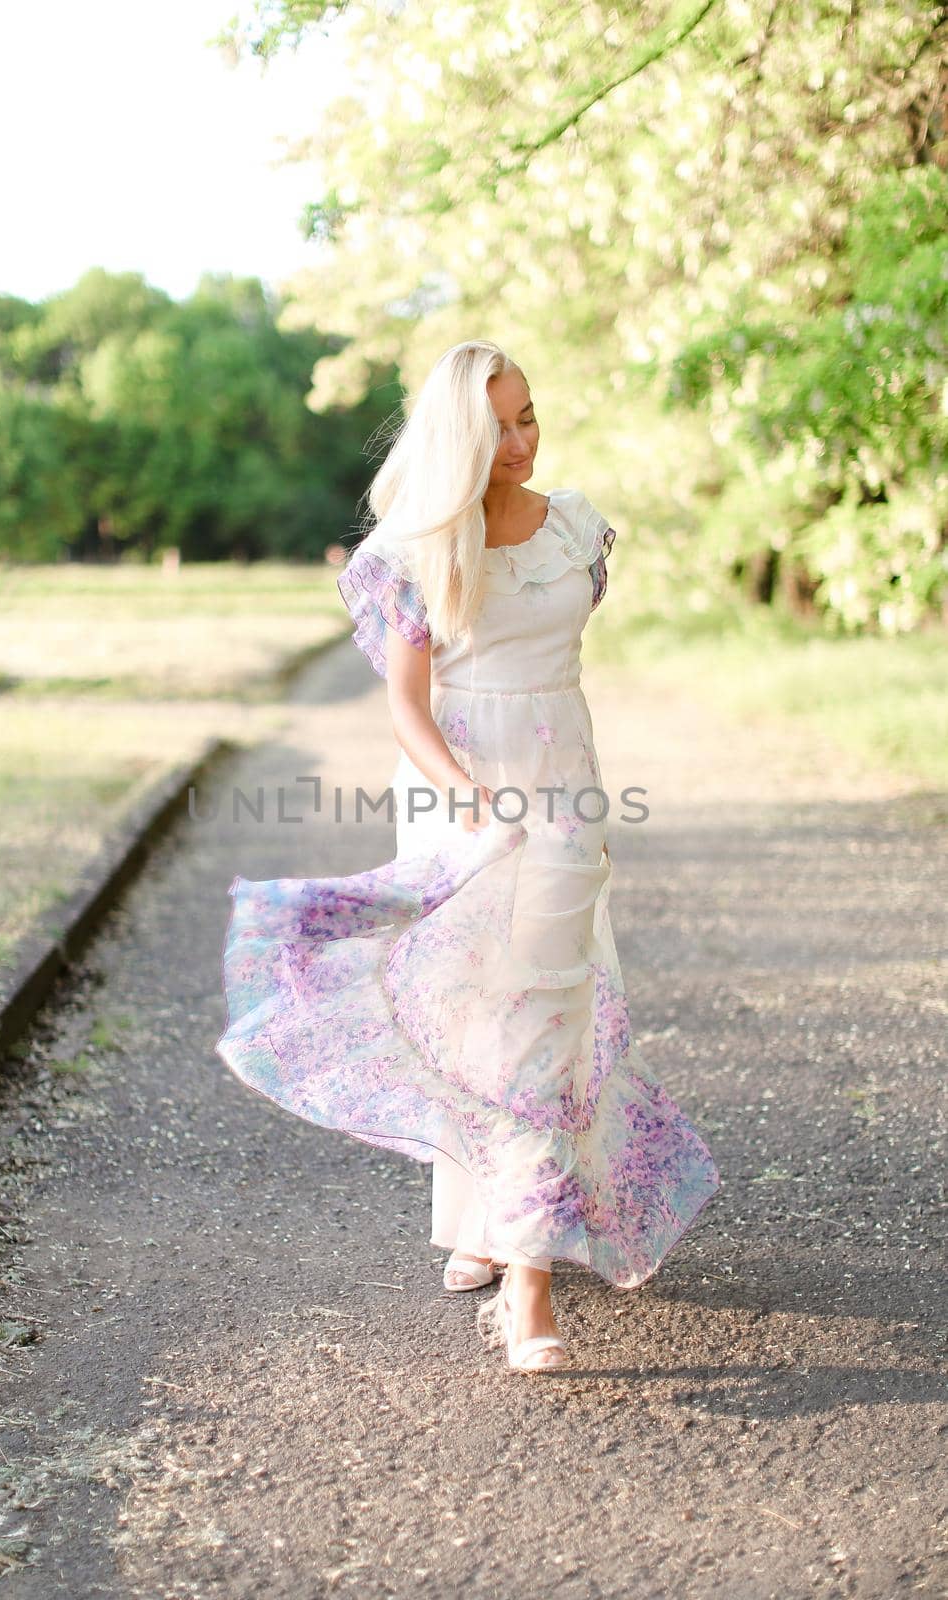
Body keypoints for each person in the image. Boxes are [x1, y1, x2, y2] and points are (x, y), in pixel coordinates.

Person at [215, 340, 721, 1373]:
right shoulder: (414, 551)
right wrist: (464, 796)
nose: (524, 441)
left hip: (564, 791)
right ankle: (486, 1220)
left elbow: (555, 663)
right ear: (459, 440)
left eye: (531, 415)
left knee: (541, 1005)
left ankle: (527, 1281)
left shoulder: (577, 527)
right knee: (470, 1005)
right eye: (500, 427)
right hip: (460, 794)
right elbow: (405, 707)